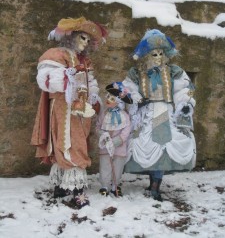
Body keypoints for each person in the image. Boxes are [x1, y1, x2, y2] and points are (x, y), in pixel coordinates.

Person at [31, 16, 107, 209]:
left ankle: (63, 186)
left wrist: (93, 99)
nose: (85, 43)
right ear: (71, 36)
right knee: (69, 144)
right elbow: (47, 80)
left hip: (81, 112)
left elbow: (91, 85)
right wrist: (69, 79)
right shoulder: (57, 54)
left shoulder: (85, 61)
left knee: (76, 143)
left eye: (89, 40)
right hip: (64, 109)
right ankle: (76, 191)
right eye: (82, 37)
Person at [122, 29, 196, 201]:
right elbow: (129, 89)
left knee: (162, 145)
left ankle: (156, 185)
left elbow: (182, 89)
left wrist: (184, 103)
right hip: (145, 113)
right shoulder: (137, 73)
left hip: (164, 112)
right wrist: (137, 99)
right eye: (154, 54)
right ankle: (152, 182)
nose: (158, 58)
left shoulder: (173, 72)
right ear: (147, 55)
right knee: (145, 145)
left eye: (161, 54)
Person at [97, 82, 132, 197]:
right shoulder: (104, 114)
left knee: (117, 166)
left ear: (117, 101)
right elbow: (98, 126)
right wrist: (103, 136)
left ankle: (115, 186)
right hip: (106, 145)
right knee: (105, 165)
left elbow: (127, 129)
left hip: (119, 146)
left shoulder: (124, 115)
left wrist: (118, 140)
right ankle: (105, 185)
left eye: (111, 98)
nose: (107, 99)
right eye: (107, 97)